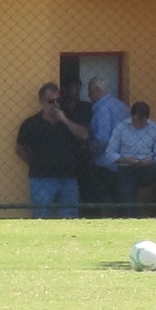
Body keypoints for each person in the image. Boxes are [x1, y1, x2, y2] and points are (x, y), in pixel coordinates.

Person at [16, 82, 89, 218]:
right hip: (41, 178)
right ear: (42, 101)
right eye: (51, 101)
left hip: (68, 178)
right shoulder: (31, 124)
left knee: (70, 216)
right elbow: (20, 148)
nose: (55, 104)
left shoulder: (68, 120)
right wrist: (34, 163)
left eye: (58, 100)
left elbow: (84, 135)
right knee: (41, 215)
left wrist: (64, 120)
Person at [106, 101, 156, 218]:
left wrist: (152, 161)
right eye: (136, 120)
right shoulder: (121, 128)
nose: (138, 125)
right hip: (127, 167)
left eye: (142, 121)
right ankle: (130, 215)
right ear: (132, 116)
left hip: (148, 167)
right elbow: (109, 153)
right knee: (126, 186)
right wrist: (125, 159)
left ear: (147, 118)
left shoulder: (155, 129)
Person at [88, 76, 130, 216]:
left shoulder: (102, 109)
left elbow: (102, 138)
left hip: (105, 163)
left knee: (99, 202)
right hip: (124, 162)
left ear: (97, 90)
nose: (88, 96)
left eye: (90, 91)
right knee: (121, 202)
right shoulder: (122, 106)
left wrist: (89, 153)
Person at [60, 77, 97, 217]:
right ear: (64, 89)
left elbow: (87, 133)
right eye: (74, 87)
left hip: (84, 159)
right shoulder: (59, 108)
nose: (77, 91)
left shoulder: (87, 108)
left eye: (79, 87)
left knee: (89, 195)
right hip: (64, 158)